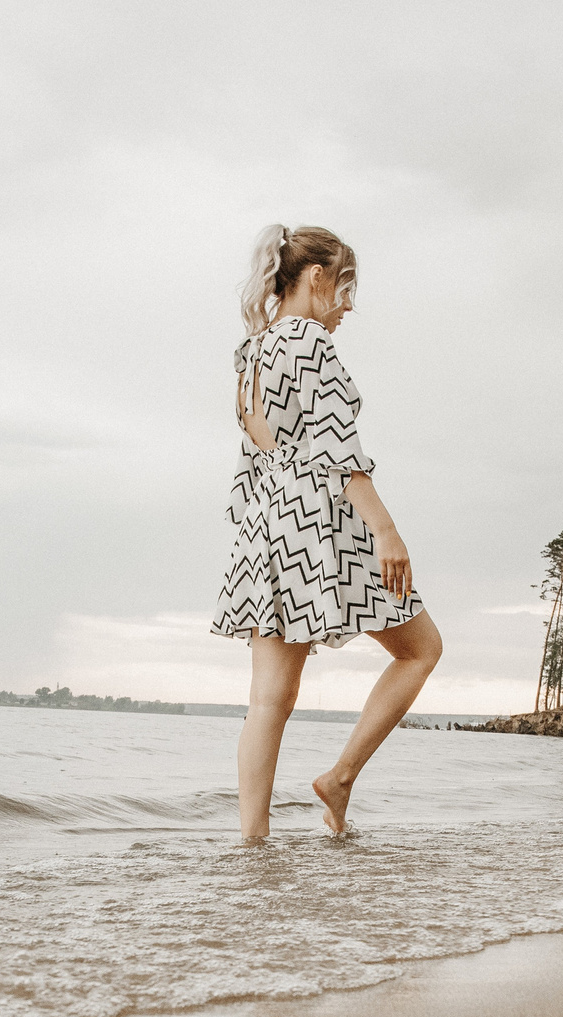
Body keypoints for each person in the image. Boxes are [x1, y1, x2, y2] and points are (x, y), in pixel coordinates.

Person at [214, 224, 443, 840]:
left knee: (267, 701)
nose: (347, 307)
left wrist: (256, 538)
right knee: (422, 649)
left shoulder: (250, 351)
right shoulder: (311, 342)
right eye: (345, 289)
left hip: (266, 528)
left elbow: (253, 454)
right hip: (323, 526)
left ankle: (252, 844)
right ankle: (340, 776)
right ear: (316, 278)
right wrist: (387, 532)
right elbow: (339, 450)